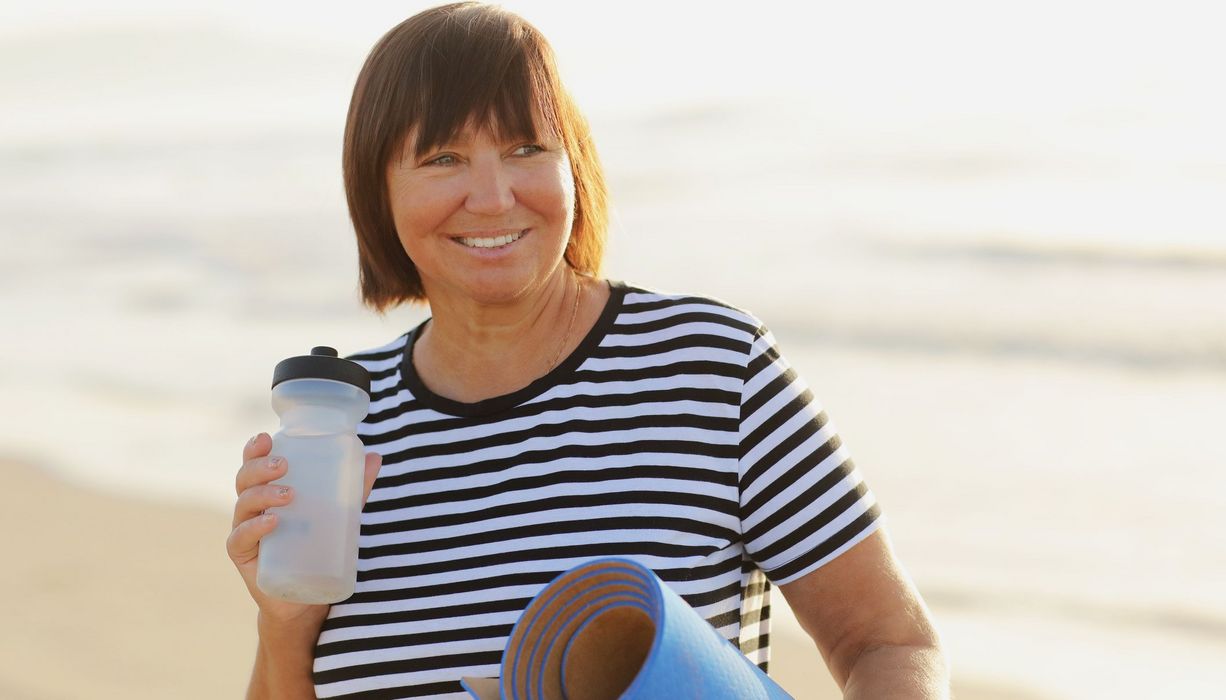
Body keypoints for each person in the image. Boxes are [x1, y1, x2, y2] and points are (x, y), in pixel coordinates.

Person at [227, 3, 949, 698]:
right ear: (376, 189)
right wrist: (285, 623)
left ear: (574, 163)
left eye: (525, 149)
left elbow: (889, 643)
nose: (492, 195)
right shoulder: (340, 432)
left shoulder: (711, 369)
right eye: (444, 157)